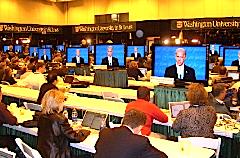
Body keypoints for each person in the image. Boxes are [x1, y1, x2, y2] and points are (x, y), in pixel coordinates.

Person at [37, 89, 91, 158]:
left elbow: (55, 131)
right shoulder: (60, 119)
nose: (63, 104)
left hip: (45, 154)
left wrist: (70, 128)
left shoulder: (42, 116)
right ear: (58, 103)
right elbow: (75, 138)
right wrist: (85, 131)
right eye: (62, 101)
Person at [95, 109, 168, 158]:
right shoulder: (140, 142)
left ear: (123, 120)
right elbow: (161, 157)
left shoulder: (104, 132)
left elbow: (97, 147)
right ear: (140, 127)